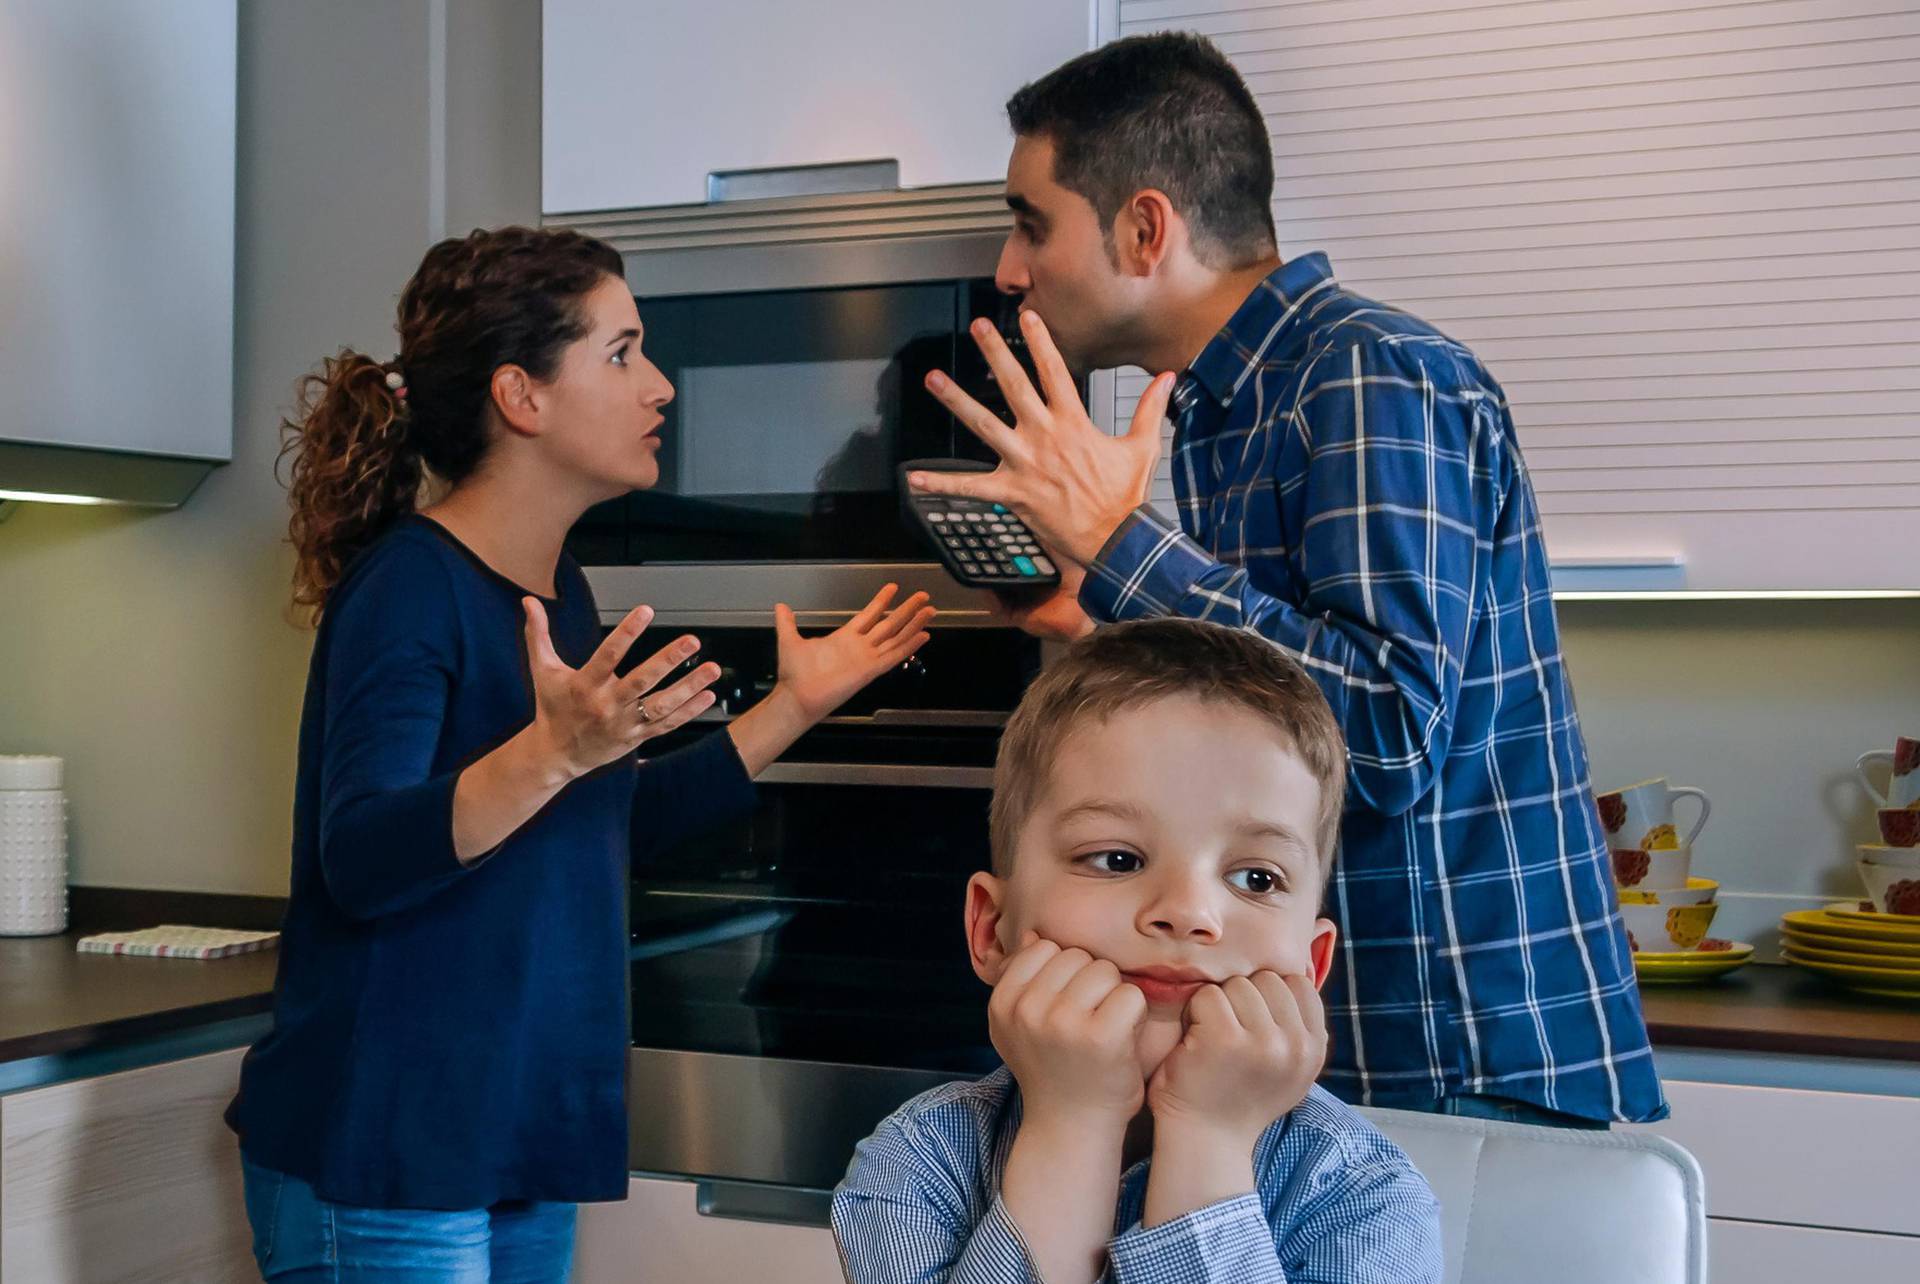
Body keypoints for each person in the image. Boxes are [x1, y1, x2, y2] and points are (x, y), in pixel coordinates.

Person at [907, 32, 1663, 1128]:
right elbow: (1276, 715)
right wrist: (1093, 614)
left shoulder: (1366, 373)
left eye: (1031, 222)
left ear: (1146, 226)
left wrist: (1124, 545)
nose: (1011, 268)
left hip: (1458, 1055)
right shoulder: (1223, 409)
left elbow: (1389, 731)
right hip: (1348, 1048)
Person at [226, 226, 935, 1282]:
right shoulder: (409, 590)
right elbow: (362, 859)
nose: (659, 387)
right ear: (523, 396)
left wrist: (794, 705)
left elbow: (608, 824)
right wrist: (550, 755)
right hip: (390, 1149)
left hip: (512, 1132)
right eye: (622, 352)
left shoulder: (562, 593)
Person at [833, 618, 1442, 1284]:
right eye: (1117, 858)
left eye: (1256, 878)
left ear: (1310, 966)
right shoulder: (919, 1159)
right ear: (991, 930)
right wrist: (1073, 1124)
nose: (1187, 912)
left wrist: (1207, 1141)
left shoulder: (1368, 1200)